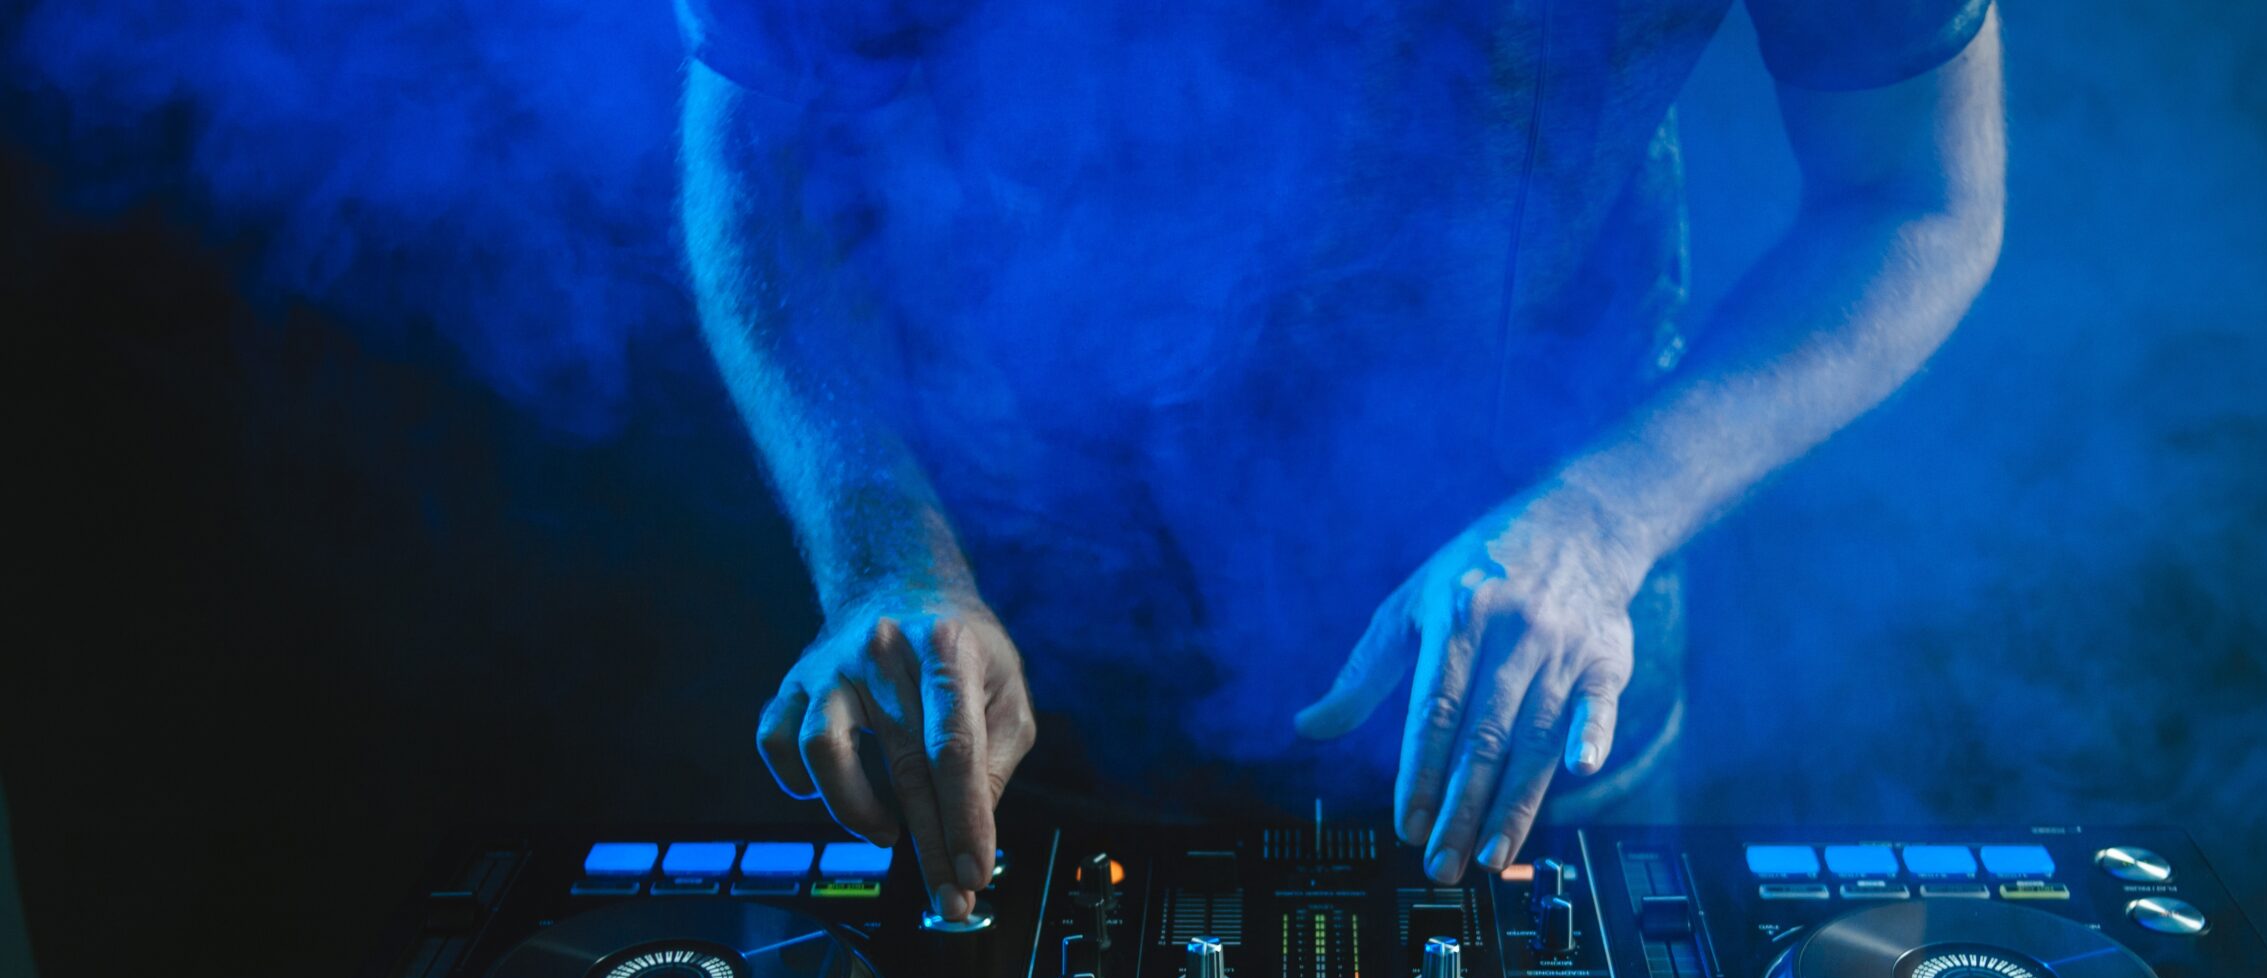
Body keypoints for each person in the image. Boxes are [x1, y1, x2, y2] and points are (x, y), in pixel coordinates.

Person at [679, 0, 2005, 923]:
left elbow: (1917, 197)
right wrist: (884, 554)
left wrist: (1600, 521)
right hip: (1010, 695)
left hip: (1539, 668)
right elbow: (755, 138)